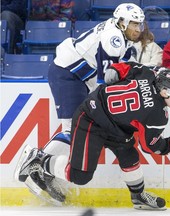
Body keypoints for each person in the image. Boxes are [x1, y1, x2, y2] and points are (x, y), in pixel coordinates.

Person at [14, 3, 145, 198]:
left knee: (76, 129)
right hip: (68, 74)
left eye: (140, 24)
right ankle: (37, 161)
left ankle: (41, 166)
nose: (138, 29)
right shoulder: (114, 38)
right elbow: (107, 80)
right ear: (122, 22)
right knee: (74, 129)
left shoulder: (117, 32)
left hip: (77, 76)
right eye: (134, 24)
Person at [17, 62, 170, 210]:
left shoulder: (148, 73)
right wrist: (169, 146)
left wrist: (115, 72)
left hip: (113, 122)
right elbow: (149, 146)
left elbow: (121, 69)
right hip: (91, 121)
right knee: (80, 176)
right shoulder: (158, 115)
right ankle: (38, 160)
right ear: (164, 92)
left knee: (129, 155)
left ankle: (138, 196)